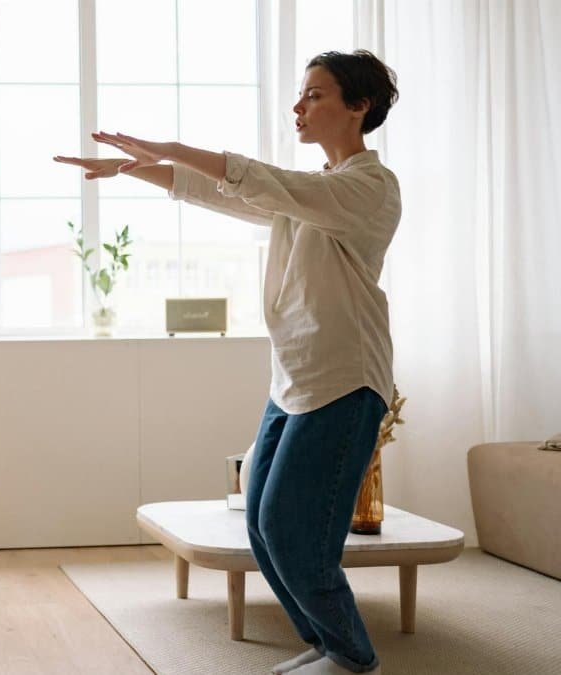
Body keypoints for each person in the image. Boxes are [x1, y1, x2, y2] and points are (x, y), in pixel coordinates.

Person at [55, 50, 399, 675]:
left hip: (347, 378)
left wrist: (172, 147)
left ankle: (353, 658)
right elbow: (232, 195)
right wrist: (141, 168)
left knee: (295, 534)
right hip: (294, 377)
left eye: (315, 95)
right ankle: (326, 645)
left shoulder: (367, 190)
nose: (299, 106)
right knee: (265, 528)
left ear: (359, 106)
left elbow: (263, 182)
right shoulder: (313, 195)